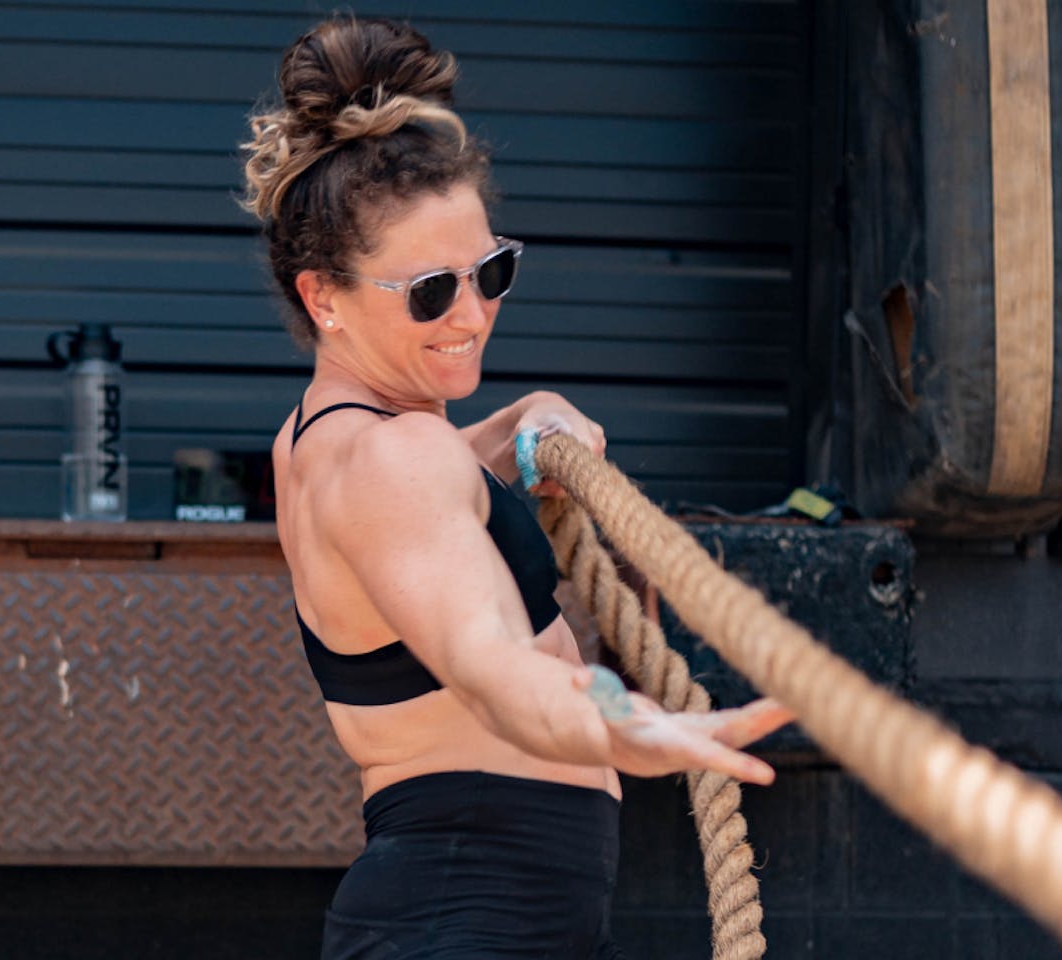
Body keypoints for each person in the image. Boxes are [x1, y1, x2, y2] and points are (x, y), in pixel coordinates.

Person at [242, 17, 792, 959]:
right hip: (469, 913)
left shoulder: (318, 441)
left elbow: (429, 500)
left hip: (459, 906)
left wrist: (521, 420)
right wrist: (628, 725)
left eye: (491, 271)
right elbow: (494, 669)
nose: (473, 315)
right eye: (429, 293)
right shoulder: (399, 461)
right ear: (321, 297)